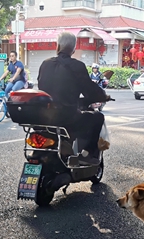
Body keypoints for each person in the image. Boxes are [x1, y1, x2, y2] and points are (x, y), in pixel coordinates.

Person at [38, 32, 109, 164]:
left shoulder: (45, 64)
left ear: (57, 46)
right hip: (67, 116)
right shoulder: (77, 66)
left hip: (44, 116)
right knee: (98, 117)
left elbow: (43, 85)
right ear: (73, 49)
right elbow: (89, 90)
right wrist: (103, 96)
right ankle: (88, 155)